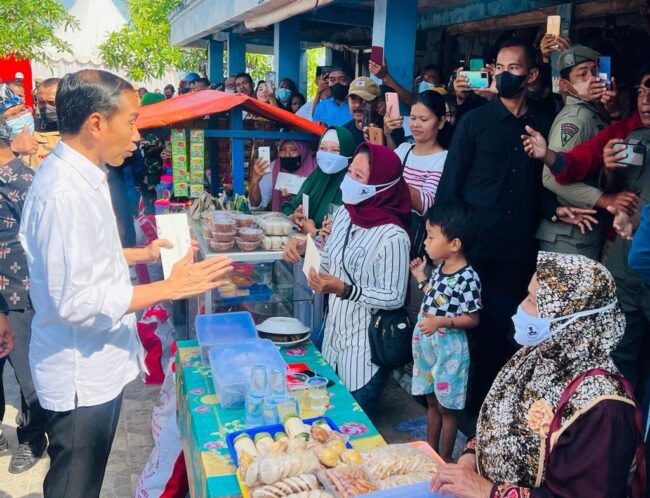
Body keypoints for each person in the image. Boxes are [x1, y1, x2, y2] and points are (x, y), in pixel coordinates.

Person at [19, 69, 234, 498]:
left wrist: (144, 254)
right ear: (96, 124)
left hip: (97, 363)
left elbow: (83, 260)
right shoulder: (64, 193)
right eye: (132, 121)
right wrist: (170, 287)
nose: (138, 135)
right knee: (73, 488)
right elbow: (74, 300)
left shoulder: (84, 175)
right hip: (80, 372)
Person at [436, 38, 597, 412]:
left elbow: (539, 184)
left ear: (532, 74)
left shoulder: (542, 123)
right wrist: (443, 243)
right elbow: (451, 184)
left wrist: (557, 210)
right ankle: (456, 411)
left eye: (515, 68)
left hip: (517, 250)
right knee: (461, 332)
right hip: (475, 248)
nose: (505, 75)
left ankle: (492, 413)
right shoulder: (474, 121)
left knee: (507, 335)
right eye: (500, 68)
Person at [430, 251, 643, 498]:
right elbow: (500, 420)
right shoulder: (535, 356)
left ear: (572, 322)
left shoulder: (604, 408)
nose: (521, 307)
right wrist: (471, 456)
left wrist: (488, 491)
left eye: (532, 301)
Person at [522, 64, 650, 400]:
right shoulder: (625, 130)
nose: (646, 100)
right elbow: (575, 164)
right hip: (624, 267)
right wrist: (550, 155)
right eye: (642, 91)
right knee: (621, 357)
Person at [284, 143, 411, 414]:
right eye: (350, 172)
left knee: (353, 433)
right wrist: (306, 247)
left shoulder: (393, 236)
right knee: (323, 420)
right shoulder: (345, 214)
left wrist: (346, 289)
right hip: (333, 340)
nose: (349, 181)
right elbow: (329, 261)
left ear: (382, 185)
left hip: (365, 356)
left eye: (359, 177)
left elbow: (394, 296)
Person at [409, 201, 481, 462]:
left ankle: (445, 457)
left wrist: (441, 322)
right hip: (428, 343)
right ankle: (430, 451)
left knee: (446, 407)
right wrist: (420, 277)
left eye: (430, 236)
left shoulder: (468, 278)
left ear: (454, 244)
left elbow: (472, 319)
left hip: (450, 349)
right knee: (430, 400)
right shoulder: (439, 269)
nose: (425, 242)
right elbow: (436, 299)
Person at [0, 115, 49, 474]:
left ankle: (32, 437)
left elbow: (43, 243)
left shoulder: (24, 181)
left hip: (18, 294)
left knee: (26, 373)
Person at [387, 90, 448, 256]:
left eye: (424, 119)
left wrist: (392, 179)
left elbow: (426, 203)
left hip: (414, 240)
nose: (415, 124)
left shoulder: (443, 159)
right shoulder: (403, 149)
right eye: (413, 118)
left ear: (441, 122)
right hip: (389, 233)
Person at [281, 126, 356, 233]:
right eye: (322, 149)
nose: (328, 155)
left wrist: (313, 232)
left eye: (335, 150)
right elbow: (289, 206)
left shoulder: (352, 187)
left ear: (347, 153)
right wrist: (293, 217)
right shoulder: (316, 176)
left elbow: (347, 235)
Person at [249, 140, 318, 211]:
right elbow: (255, 204)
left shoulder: (316, 169)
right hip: (281, 220)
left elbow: (319, 203)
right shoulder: (274, 168)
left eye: (293, 149)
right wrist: (255, 181)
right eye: (283, 149)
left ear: (302, 150)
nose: (287, 154)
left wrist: (294, 200)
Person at [29, 77, 61, 170]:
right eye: (42, 102)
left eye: (52, 103)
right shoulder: (31, 130)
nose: (46, 107)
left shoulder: (80, 131)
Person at [343, 76, 382, 146]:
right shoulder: (344, 132)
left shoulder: (389, 129)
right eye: (353, 99)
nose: (358, 104)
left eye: (364, 99)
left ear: (377, 103)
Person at [1, 84, 38, 158]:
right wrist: (12, 149)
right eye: (12, 115)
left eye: (22, 110)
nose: (20, 117)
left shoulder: (48, 139)